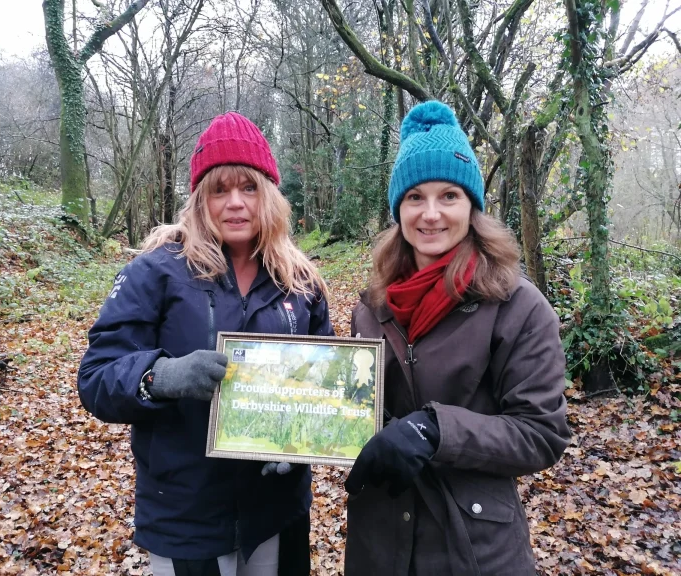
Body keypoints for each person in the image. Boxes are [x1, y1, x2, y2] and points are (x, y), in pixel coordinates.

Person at [78, 112, 333, 576]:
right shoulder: (155, 273)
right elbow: (96, 379)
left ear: (270, 195)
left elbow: (321, 386)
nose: (235, 203)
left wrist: (300, 443)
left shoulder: (301, 283)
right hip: (187, 514)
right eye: (219, 189)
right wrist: (161, 377)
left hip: (278, 510)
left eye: (249, 187)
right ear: (200, 199)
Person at [343, 101, 571, 576]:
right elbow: (354, 415)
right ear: (398, 209)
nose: (430, 214)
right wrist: (296, 441)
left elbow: (540, 433)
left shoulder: (518, 307)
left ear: (472, 206)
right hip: (378, 544)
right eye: (415, 197)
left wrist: (434, 430)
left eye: (449, 195)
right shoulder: (371, 309)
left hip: (473, 549)